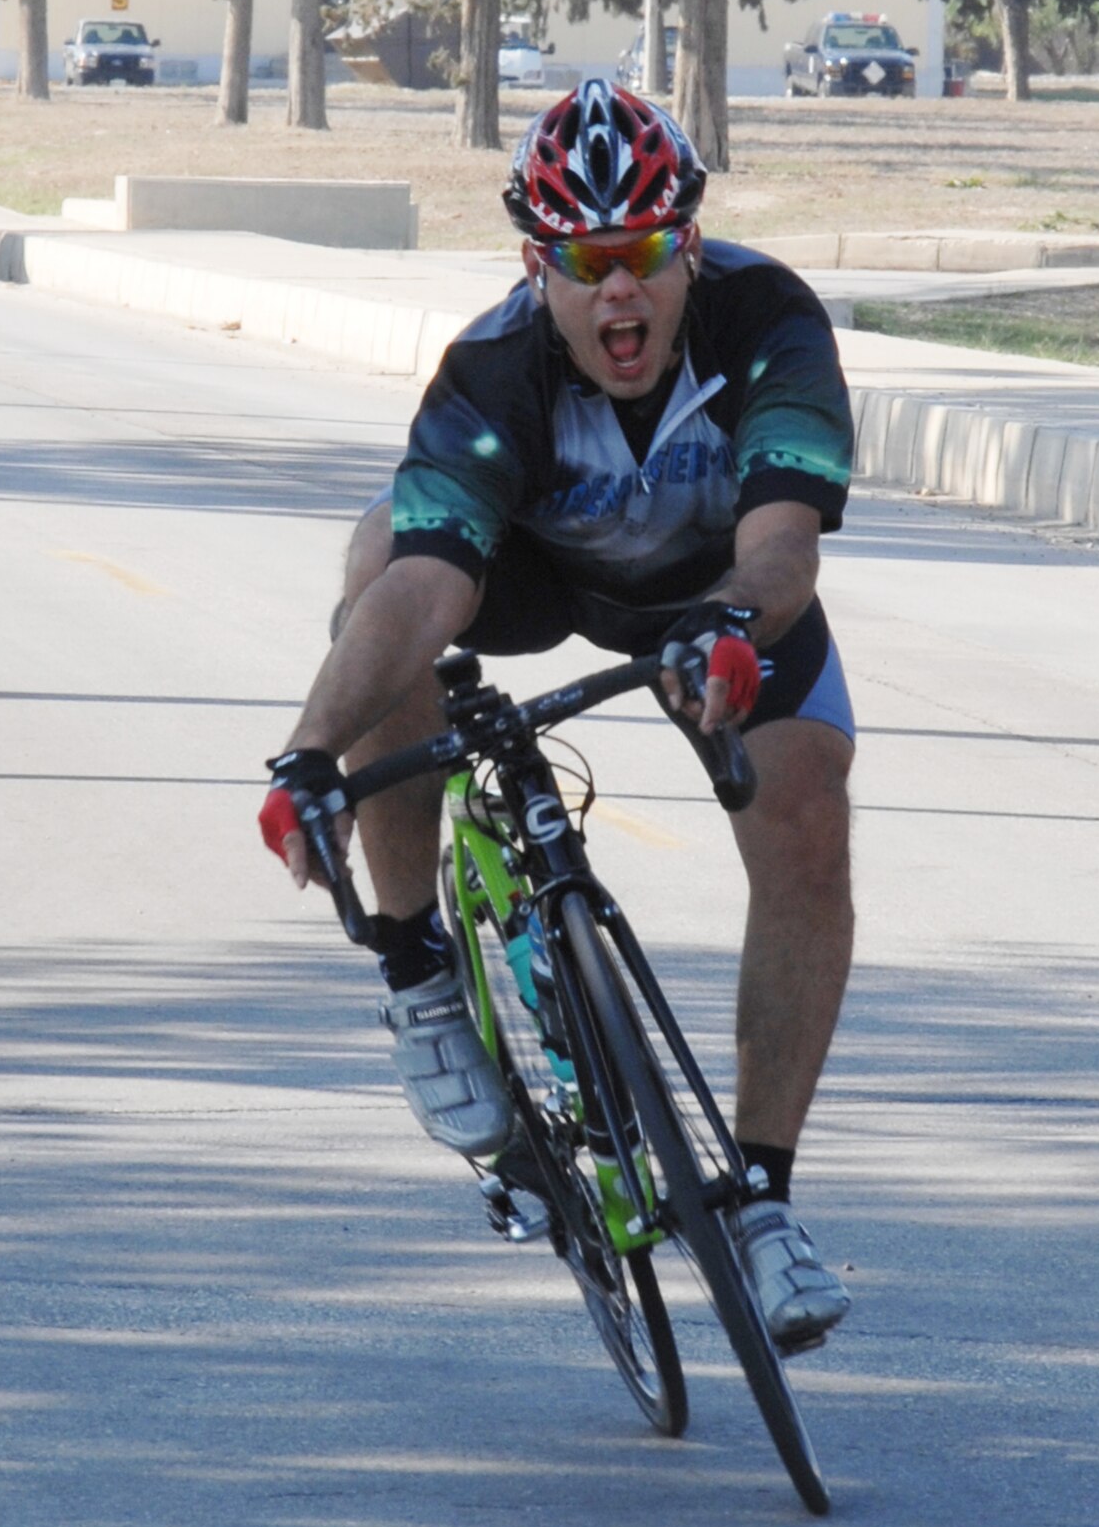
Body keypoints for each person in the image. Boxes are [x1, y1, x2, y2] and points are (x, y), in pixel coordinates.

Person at [261, 80, 855, 1352]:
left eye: (643, 253)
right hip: (525, 580)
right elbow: (428, 583)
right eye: (584, 266)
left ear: (687, 243)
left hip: (714, 596)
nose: (618, 294)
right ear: (539, 267)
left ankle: (761, 1203)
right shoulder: (492, 367)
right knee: (379, 565)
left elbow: (786, 543)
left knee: (806, 816)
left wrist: (730, 624)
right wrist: (308, 754)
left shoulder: (769, 321)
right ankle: (418, 974)